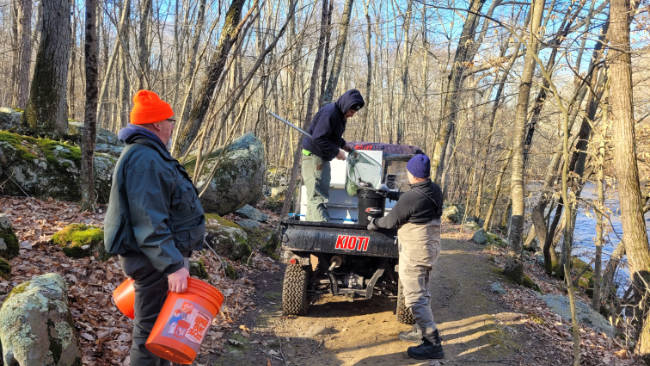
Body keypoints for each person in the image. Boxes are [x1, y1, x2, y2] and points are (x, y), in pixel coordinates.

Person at [104, 90, 206, 366]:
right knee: (149, 338)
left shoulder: (150, 154)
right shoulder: (144, 158)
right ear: (157, 124)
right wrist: (172, 266)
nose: (173, 125)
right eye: (170, 120)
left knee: (163, 338)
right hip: (153, 263)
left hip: (159, 259)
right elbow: (148, 221)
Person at [367, 154, 444, 360]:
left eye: (409, 171)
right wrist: (392, 194)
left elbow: (390, 221)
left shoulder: (412, 197)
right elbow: (411, 202)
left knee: (415, 297)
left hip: (416, 251)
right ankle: (421, 330)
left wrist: (374, 223)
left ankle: (432, 343)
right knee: (423, 291)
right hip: (430, 247)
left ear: (413, 174)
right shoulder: (434, 190)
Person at [301, 89, 365, 221]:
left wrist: (343, 145)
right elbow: (318, 138)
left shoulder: (340, 115)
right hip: (314, 158)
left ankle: (309, 230)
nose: (352, 115)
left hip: (322, 158)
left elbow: (331, 136)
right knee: (317, 197)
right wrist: (336, 152)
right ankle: (324, 230)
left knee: (316, 197)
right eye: (351, 111)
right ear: (346, 105)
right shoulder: (329, 113)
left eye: (354, 112)